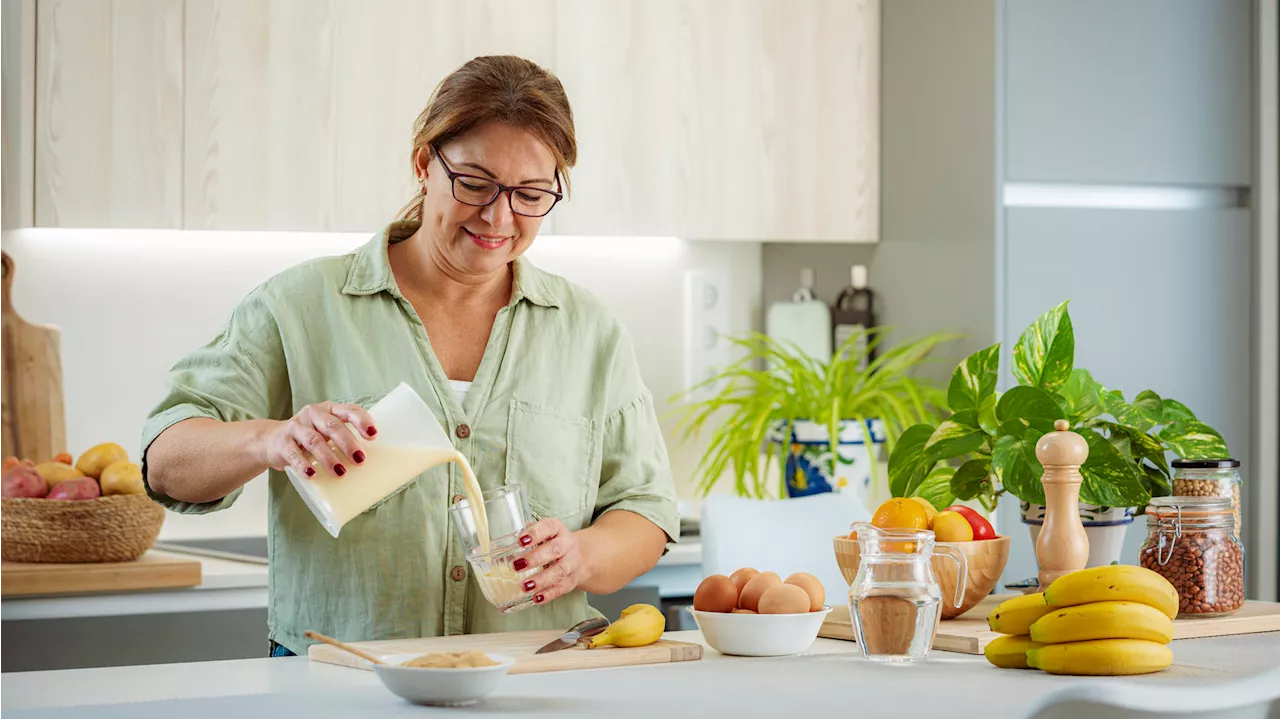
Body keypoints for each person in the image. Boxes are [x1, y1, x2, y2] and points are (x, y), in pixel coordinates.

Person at [141, 55, 679, 657]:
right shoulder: (300, 305)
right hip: (339, 683)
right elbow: (166, 458)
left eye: (530, 194)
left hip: (532, 679)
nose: (499, 217)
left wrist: (582, 556)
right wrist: (270, 440)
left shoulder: (588, 332)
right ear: (425, 165)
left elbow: (646, 509)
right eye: (475, 183)